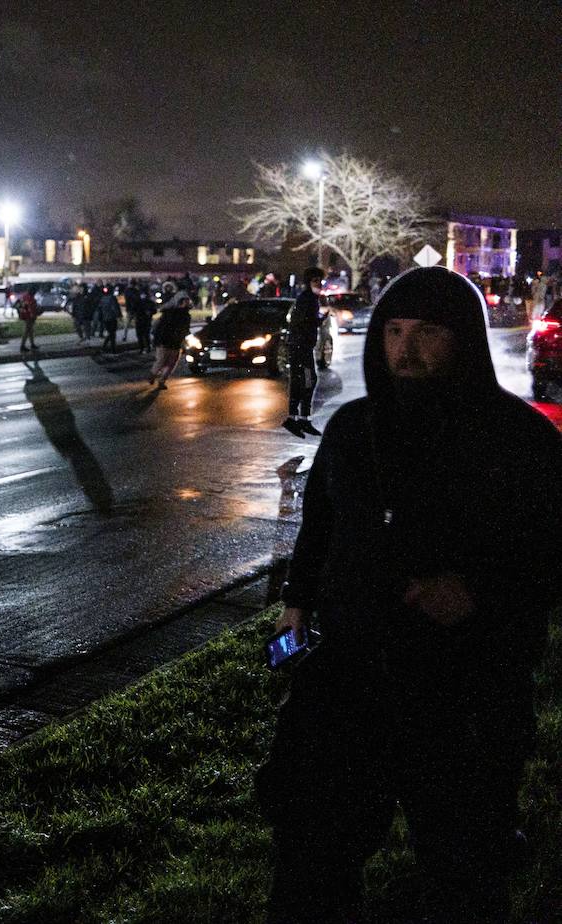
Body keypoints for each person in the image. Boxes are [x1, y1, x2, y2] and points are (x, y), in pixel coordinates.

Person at [257, 266, 562, 923]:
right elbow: (321, 524)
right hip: (351, 676)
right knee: (313, 850)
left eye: (427, 332)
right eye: (394, 331)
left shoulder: (521, 440)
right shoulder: (352, 430)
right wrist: (297, 604)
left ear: (463, 340)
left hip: (468, 688)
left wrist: (479, 593)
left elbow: (548, 554)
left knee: (463, 867)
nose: (406, 347)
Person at [281, 267, 326, 438]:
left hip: (301, 346)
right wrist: (319, 319)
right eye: (316, 281)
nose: (319, 284)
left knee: (303, 381)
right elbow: (303, 321)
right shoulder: (308, 299)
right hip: (301, 347)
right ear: (309, 282)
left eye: (320, 281)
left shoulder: (309, 299)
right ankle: (298, 418)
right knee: (307, 381)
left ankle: (300, 418)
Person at [149, 293, 192, 390]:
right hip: (170, 341)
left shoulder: (169, 313)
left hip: (169, 341)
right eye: (185, 301)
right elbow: (184, 329)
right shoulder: (182, 315)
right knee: (167, 362)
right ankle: (158, 378)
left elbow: (159, 327)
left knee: (166, 362)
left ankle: (157, 377)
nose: (186, 303)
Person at [127, 284, 153, 353]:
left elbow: (153, 310)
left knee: (145, 335)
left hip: (145, 320)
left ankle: (147, 348)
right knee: (140, 335)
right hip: (140, 320)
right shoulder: (137, 301)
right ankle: (142, 348)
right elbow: (133, 309)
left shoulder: (148, 302)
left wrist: (150, 312)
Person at [16, 287, 40, 353]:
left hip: (24, 315)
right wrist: (34, 315)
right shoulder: (31, 299)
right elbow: (31, 309)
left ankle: (32, 344)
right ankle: (22, 346)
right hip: (29, 316)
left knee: (30, 331)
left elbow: (20, 305)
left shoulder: (24, 296)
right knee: (27, 331)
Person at [99, 284, 122, 352]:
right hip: (111, 317)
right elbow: (114, 308)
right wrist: (119, 315)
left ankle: (105, 347)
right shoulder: (112, 298)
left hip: (105, 318)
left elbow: (100, 308)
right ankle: (112, 348)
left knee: (110, 333)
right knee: (112, 333)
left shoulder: (102, 298)